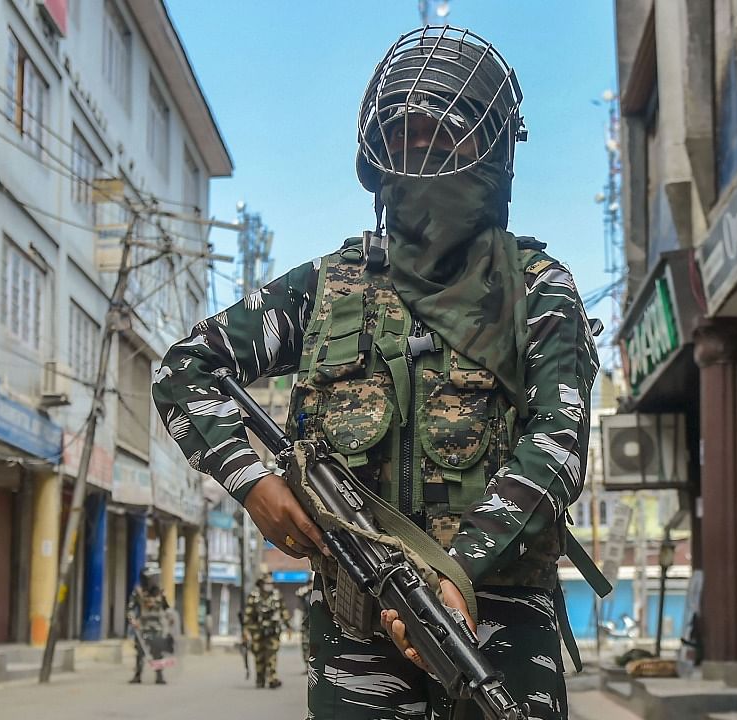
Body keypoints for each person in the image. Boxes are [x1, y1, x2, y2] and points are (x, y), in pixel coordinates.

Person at [152, 24, 599, 719]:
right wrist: (255, 486)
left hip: (498, 619)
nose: (422, 157)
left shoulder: (536, 290)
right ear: (377, 159)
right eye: (404, 140)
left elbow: (559, 444)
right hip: (356, 624)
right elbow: (186, 369)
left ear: (491, 155)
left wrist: (458, 572)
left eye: (444, 138)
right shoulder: (327, 289)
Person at [243, 572, 291, 689]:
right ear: (261, 584)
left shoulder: (276, 596)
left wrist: (288, 626)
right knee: (259, 656)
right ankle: (260, 678)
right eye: (266, 583)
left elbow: (283, 611)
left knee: (272, 654)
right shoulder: (254, 596)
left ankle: (272, 678)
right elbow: (248, 616)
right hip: (257, 631)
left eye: (271, 583)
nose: (269, 585)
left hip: (273, 630)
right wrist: (246, 631)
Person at [127, 566, 172, 685]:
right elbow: (130, 609)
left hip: (158, 626)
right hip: (142, 626)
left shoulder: (161, 593)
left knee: (158, 651)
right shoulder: (138, 592)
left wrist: (170, 618)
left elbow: (166, 608)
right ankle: (138, 675)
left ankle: (159, 675)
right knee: (140, 651)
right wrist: (133, 620)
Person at [294, 580, 315, 674]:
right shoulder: (305, 595)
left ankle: (313, 667)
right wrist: (306, 590)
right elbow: (297, 593)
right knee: (305, 645)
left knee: (315, 646)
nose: (311, 586)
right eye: (310, 584)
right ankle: (307, 666)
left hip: (315, 624)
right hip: (306, 624)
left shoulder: (317, 594)